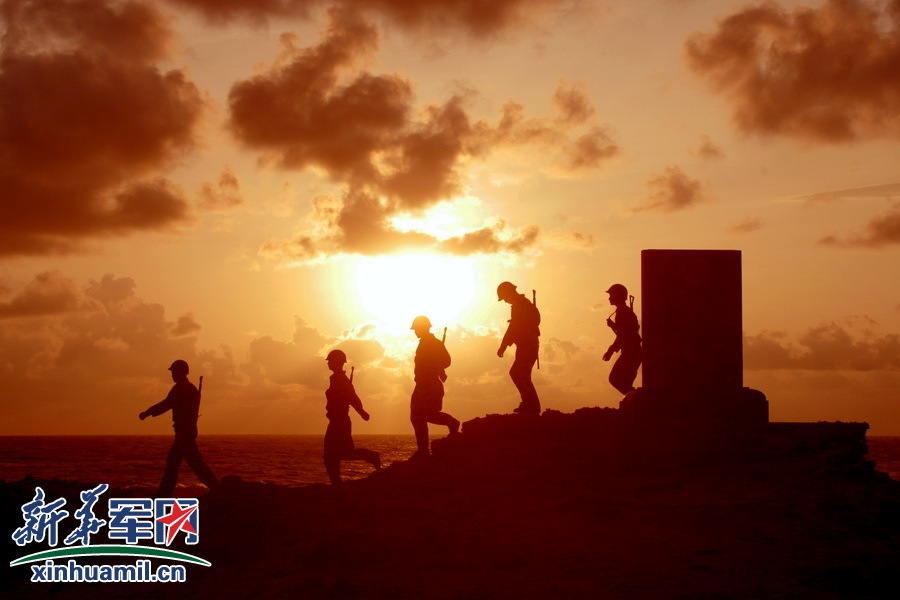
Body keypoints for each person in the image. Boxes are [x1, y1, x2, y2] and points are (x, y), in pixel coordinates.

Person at [139, 360, 218, 496]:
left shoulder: (181, 389)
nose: (172, 375)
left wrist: (147, 412)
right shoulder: (190, 388)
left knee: (192, 464)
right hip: (185, 432)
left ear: (180, 373)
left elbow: (165, 404)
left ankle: (217, 488)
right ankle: (164, 493)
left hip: (184, 433)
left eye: (174, 372)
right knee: (175, 463)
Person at [323, 349, 381, 484]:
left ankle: (372, 457)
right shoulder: (335, 379)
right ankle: (337, 483)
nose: (328, 363)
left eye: (330, 361)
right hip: (336, 421)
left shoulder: (341, 380)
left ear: (337, 362)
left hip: (340, 422)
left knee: (334, 454)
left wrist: (362, 412)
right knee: (339, 453)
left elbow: (352, 398)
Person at [409, 315, 460, 459]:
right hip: (422, 384)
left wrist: (437, 367)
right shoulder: (425, 343)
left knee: (425, 414)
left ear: (423, 328)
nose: (415, 332)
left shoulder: (433, 343)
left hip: (430, 385)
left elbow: (446, 361)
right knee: (418, 416)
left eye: (416, 329)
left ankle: (452, 423)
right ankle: (423, 451)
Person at [496, 281, 541, 415]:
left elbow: (513, 328)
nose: (504, 301)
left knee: (518, 374)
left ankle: (531, 406)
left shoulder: (520, 305)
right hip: (526, 345)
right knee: (521, 375)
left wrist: (503, 346)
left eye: (504, 297)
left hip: (528, 345)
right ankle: (530, 405)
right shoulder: (521, 304)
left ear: (509, 293)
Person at [602, 284, 642, 395]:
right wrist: (613, 326)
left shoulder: (622, 312)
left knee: (615, 379)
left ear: (618, 296)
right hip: (632, 352)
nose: (609, 298)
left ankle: (637, 400)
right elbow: (624, 332)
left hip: (631, 353)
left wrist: (610, 350)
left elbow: (623, 335)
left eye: (611, 295)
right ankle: (635, 399)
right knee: (622, 382)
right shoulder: (624, 311)